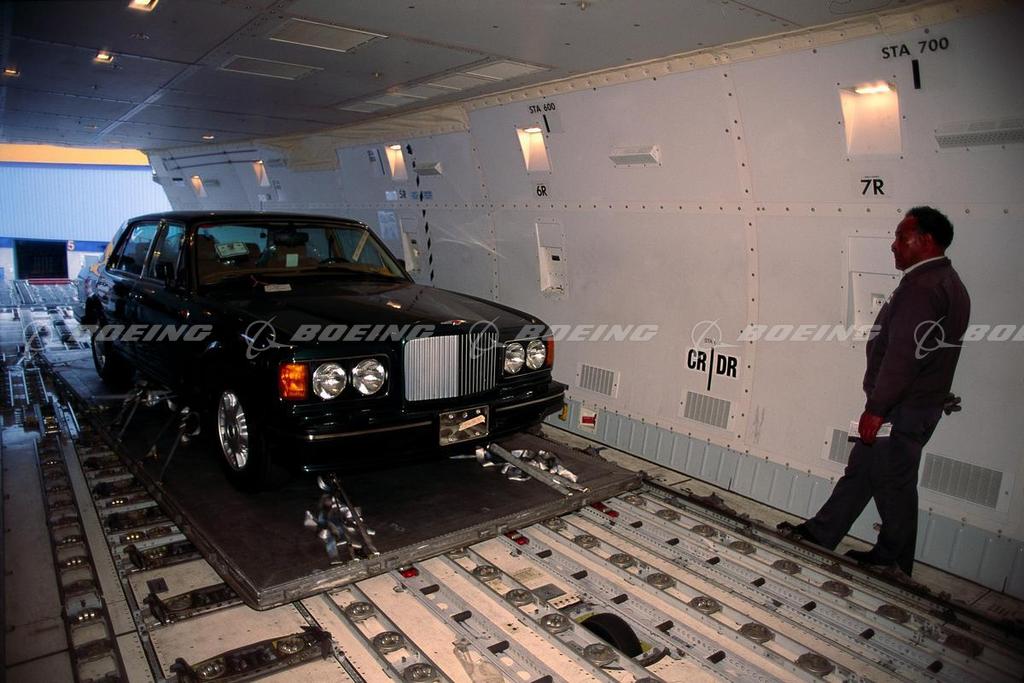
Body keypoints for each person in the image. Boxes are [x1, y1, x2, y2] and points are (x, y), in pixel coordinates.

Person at [778, 206, 971, 576]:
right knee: (862, 470)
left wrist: (878, 408)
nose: (894, 245)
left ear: (926, 241)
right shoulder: (948, 282)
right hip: (913, 404)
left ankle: (892, 562)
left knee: (894, 483)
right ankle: (822, 533)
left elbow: (903, 355)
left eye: (901, 237)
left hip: (901, 408)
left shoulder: (923, 288)